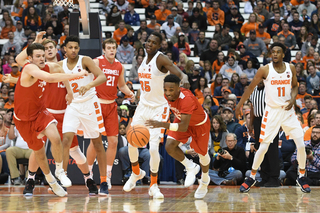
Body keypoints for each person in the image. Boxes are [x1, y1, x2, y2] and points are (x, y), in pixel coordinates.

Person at [11, 33, 99, 196]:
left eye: (50, 48)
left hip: (57, 114)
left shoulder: (57, 67)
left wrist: (71, 89)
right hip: (37, 114)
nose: (47, 52)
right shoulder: (34, 68)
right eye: (44, 50)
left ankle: (83, 176)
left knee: (72, 149)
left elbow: (60, 78)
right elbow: (37, 76)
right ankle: (33, 179)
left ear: (56, 50)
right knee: (38, 152)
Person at [235, 42, 310, 193]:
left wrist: (293, 99)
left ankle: (301, 176)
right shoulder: (265, 69)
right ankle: (252, 176)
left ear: (283, 54)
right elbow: (250, 88)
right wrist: (239, 105)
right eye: (272, 52)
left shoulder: (291, 68)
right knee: (263, 147)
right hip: (272, 112)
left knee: (301, 145)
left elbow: (295, 86)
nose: (275, 54)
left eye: (278, 51)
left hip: (288, 112)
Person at [122, 32, 189, 199]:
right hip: (143, 106)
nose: (149, 44)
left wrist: (185, 77)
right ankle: (136, 172)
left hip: (159, 108)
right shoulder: (143, 59)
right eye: (148, 41)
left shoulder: (161, 59)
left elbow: (178, 73)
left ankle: (153, 185)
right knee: (131, 141)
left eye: (153, 42)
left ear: (159, 45)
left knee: (153, 149)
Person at [58, 36, 109, 195]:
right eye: (70, 47)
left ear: (79, 49)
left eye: (76, 47)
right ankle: (63, 178)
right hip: (73, 105)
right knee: (66, 140)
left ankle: (104, 181)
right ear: (64, 49)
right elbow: (59, 76)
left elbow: (102, 77)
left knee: (97, 143)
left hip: (89, 104)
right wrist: (69, 91)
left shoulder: (85, 60)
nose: (73, 50)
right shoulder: (61, 65)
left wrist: (89, 84)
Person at [146, 74, 210, 199]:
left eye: (171, 90)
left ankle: (205, 181)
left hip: (198, 125)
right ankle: (191, 167)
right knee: (169, 146)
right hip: (181, 120)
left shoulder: (186, 99)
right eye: (165, 89)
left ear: (178, 88)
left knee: (201, 153)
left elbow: (183, 127)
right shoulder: (165, 95)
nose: (168, 93)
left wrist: (161, 124)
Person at [86, 38, 135, 190]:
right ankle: (88, 174)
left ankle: (107, 175)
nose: (111, 50)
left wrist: (130, 93)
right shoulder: (96, 62)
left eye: (113, 48)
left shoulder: (119, 65)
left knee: (113, 141)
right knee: (96, 141)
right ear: (104, 50)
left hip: (112, 106)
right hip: (97, 104)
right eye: (109, 48)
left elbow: (121, 85)